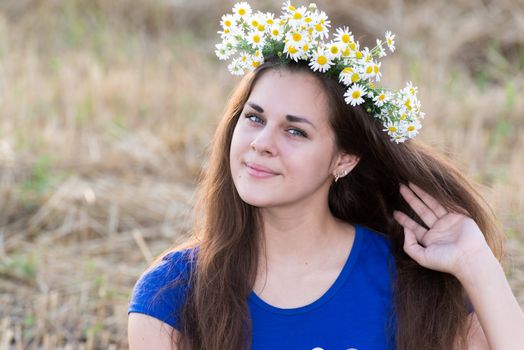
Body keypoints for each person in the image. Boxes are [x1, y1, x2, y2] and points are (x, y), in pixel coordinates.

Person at [127, 2, 524, 349]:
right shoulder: (172, 294)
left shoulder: (410, 281)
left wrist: (477, 265)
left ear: (344, 160)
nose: (262, 143)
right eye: (254, 118)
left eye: (295, 130)